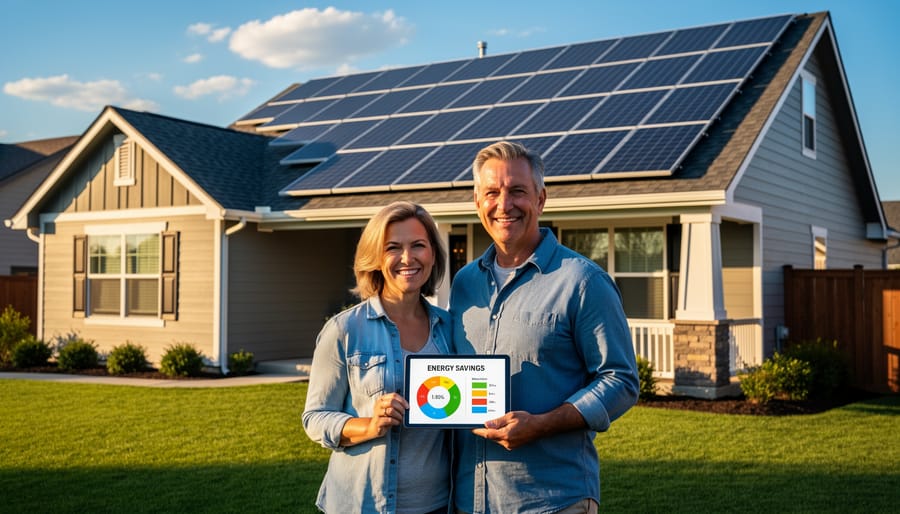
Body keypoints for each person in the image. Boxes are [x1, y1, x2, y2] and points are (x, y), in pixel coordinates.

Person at [450, 141, 640, 514]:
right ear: (477, 201)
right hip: (469, 499)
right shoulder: (464, 284)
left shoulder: (583, 282)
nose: (504, 205)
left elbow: (621, 379)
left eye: (517, 191)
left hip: (550, 500)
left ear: (540, 199)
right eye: (491, 193)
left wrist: (542, 424)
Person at [303, 201, 453, 514]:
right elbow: (315, 418)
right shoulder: (344, 329)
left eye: (418, 246)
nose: (407, 258)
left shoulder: (451, 328)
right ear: (375, 258)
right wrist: (369, 424)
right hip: (363, 504)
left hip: (439, 504)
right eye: (393, 248)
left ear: (433, 254)